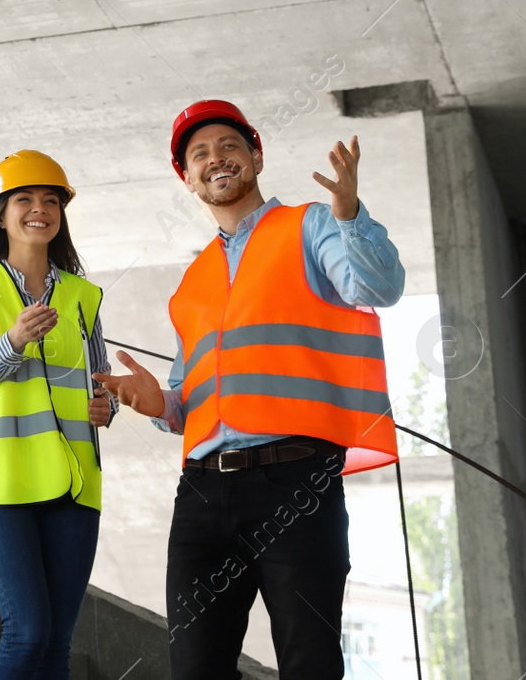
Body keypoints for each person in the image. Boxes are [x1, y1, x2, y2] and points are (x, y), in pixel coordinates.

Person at [95, 101, 405, 678]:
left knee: (308, 662)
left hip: (296, 484)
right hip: (204, 497)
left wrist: (350, 214)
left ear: (256, 157)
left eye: (229, 147)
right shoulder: (192, 283)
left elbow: (376, 284)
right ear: (188, 179)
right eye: (201, 155)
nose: (217, 159)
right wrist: (153, 400)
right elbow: (186, 404)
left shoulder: (312, 224)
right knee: (194, 670)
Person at [0, 149, 117, 680]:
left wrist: (106, 406)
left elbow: (101, 379)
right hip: (2, 483)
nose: (39, 209)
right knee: (28, 631)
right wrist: (14, 340)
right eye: (24, 199)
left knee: (57, 643)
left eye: (51, 200)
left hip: (74, 483)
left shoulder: (83, 297)